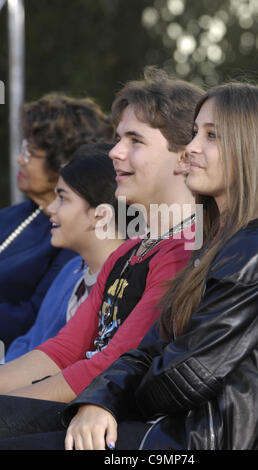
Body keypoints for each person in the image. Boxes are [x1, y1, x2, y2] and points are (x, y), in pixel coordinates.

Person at [1, 81, 258, 450]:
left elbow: (189, 373)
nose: (192, 148)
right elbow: (143, 349)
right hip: (153, 424)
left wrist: (102, 399)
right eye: (193, 134)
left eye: (211, 136)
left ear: (251, 147)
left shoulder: (253, 246)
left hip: (181, 439)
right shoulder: (202, 242)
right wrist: (100, 398)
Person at [0, 67, 202, 420]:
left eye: (134, 141)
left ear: (184, 157)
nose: (115, 152)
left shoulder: (186, 250)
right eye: (118, 138)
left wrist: (13, 409)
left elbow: (115, 363)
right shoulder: (129, 250)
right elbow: (62, 349)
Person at [0, 93, 114, 350]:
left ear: (62, 162)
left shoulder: (72, 239)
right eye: (22, 149)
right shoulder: (16, 215)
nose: (20, 159)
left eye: (30, 152)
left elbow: (33, 322)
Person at [4, 142, 125, 362]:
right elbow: (30, 341)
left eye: (62, 198)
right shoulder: (71, 270)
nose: (50, 208)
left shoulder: (123, 284)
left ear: (100, 216)